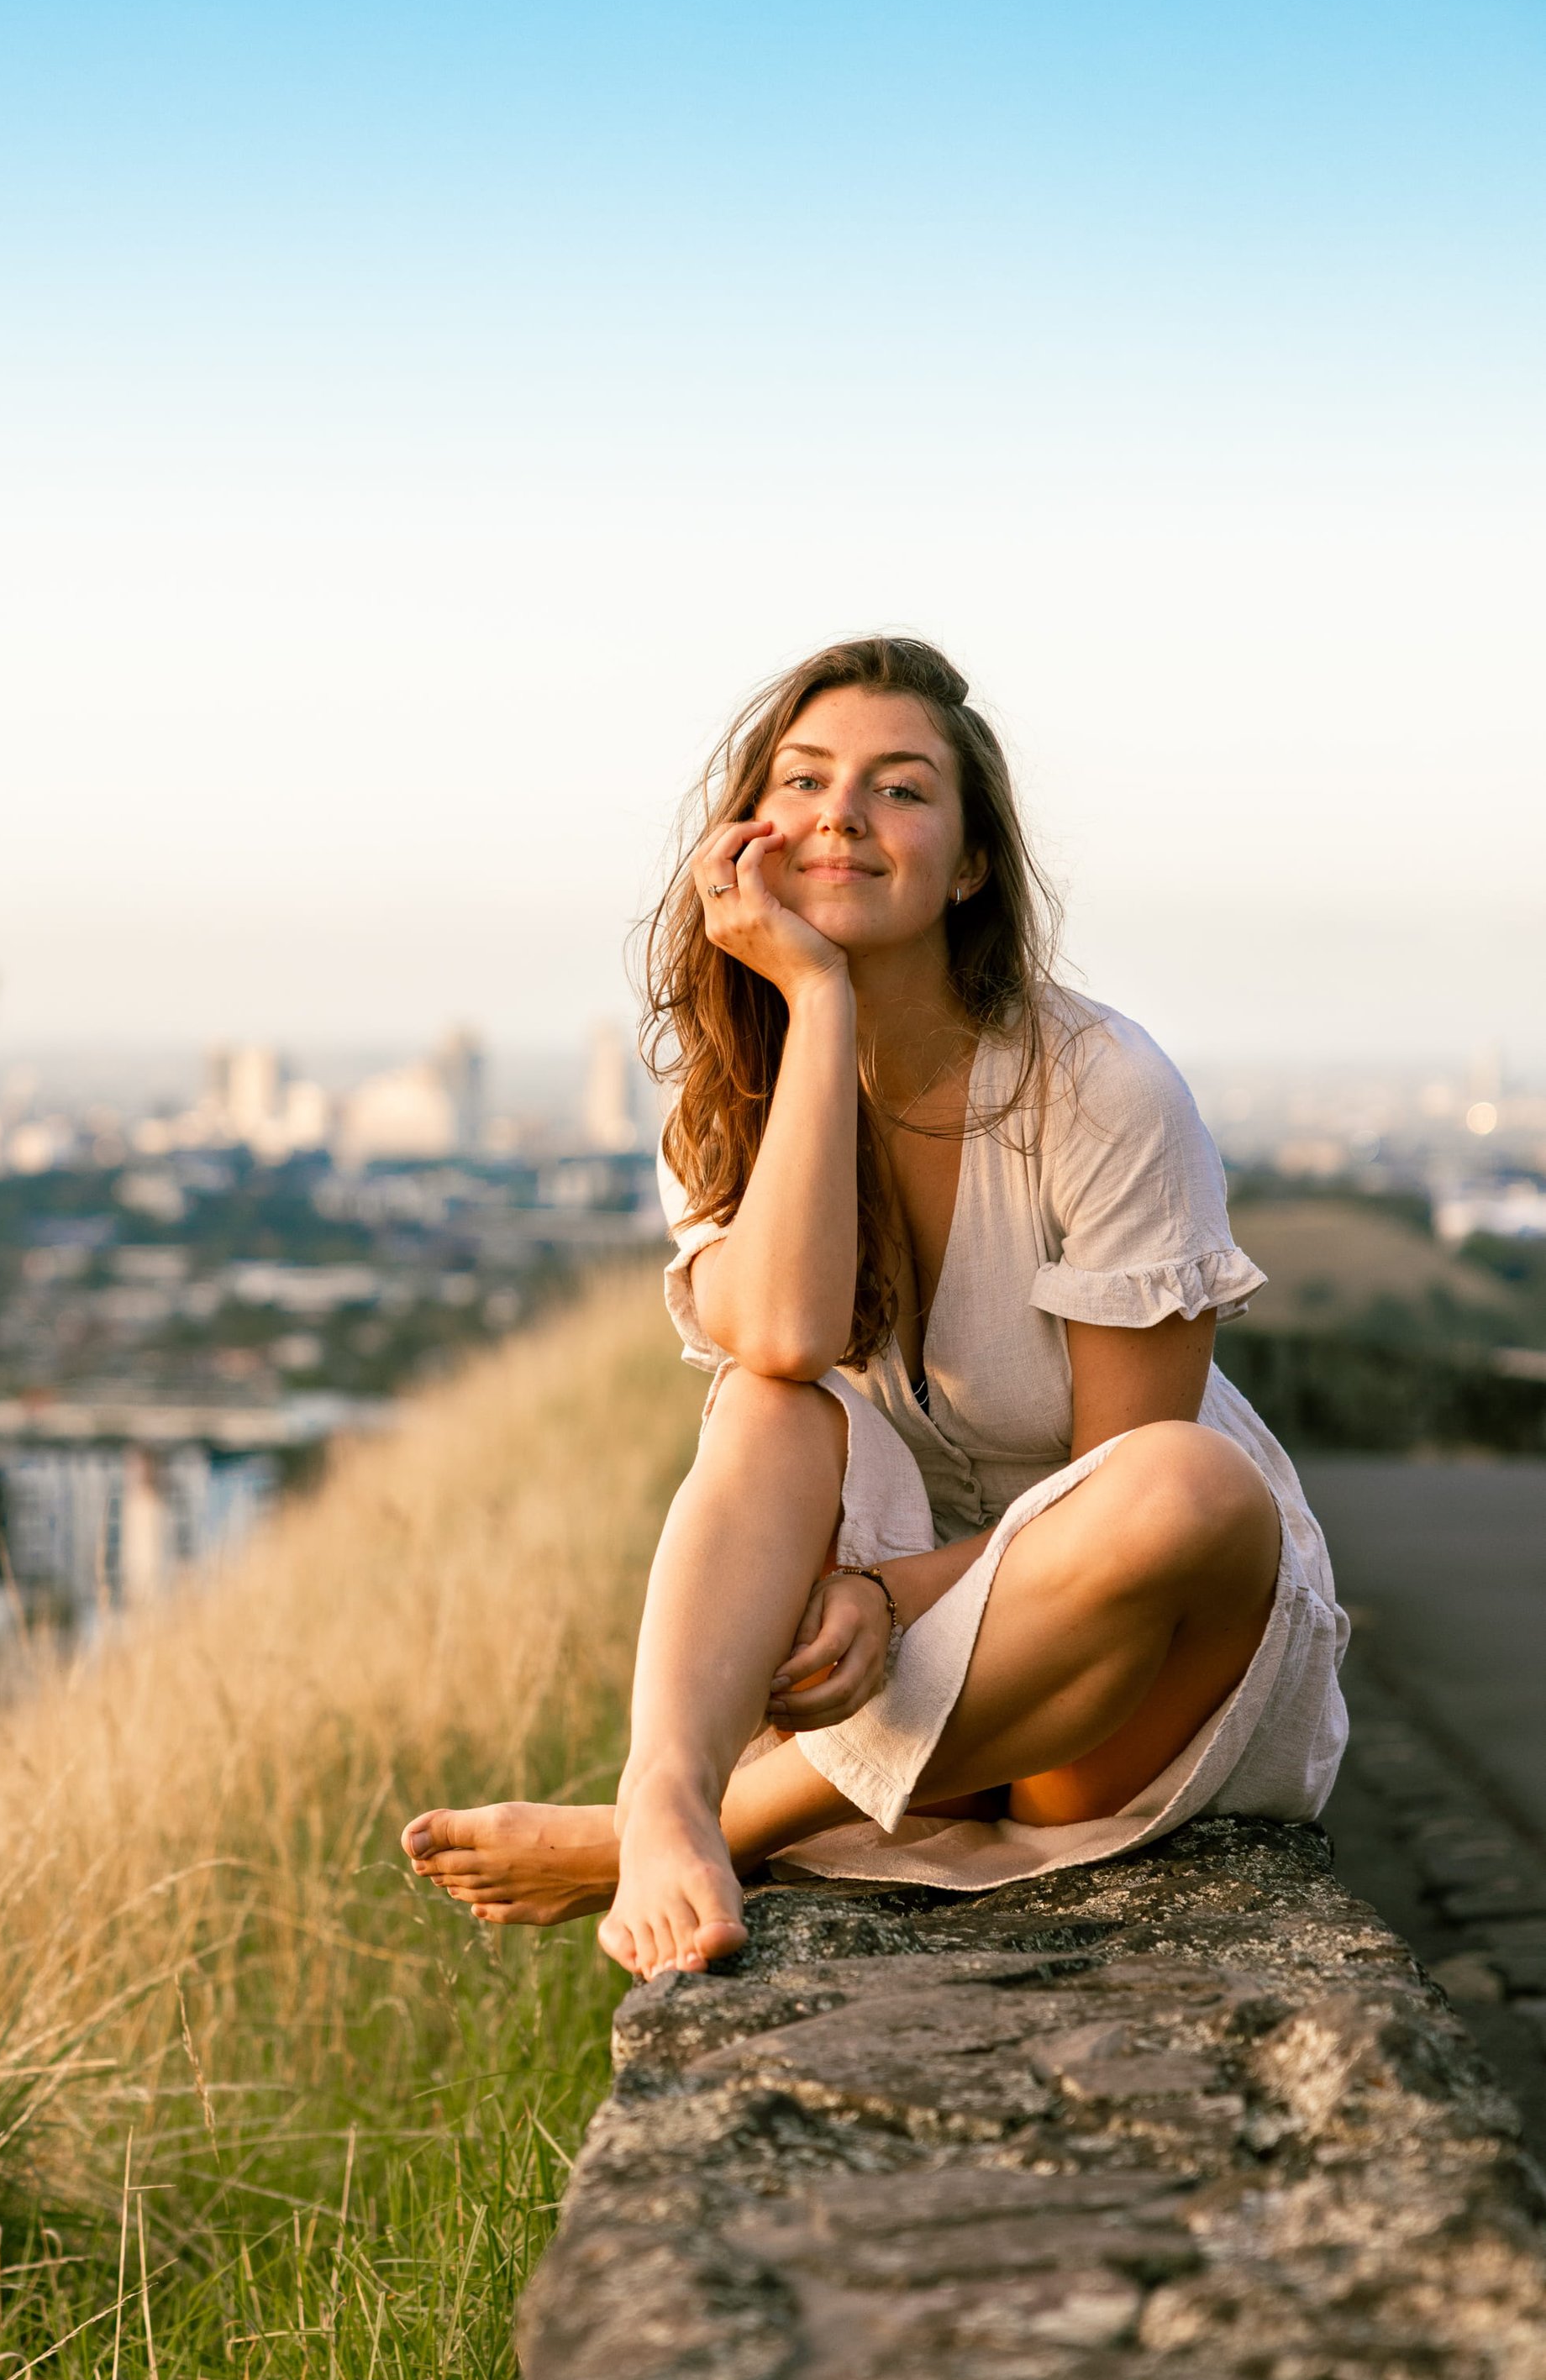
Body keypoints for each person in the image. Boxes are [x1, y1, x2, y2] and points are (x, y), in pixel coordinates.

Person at [402, 634, 1346, 1981]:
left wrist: (893, 1595)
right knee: (770, 1400)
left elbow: (1115, 1486)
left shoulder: (1106, 1088)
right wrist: (819, 999)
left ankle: (663, 1834)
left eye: (901, 788)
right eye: (804, 779)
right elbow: (782, 1340)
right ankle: (664, 1789)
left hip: (1119, 1685)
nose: (843, 811)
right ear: (751, 836)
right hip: (901, 1682)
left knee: (1188, 1485)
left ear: (969, 866)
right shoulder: (731, 1097)